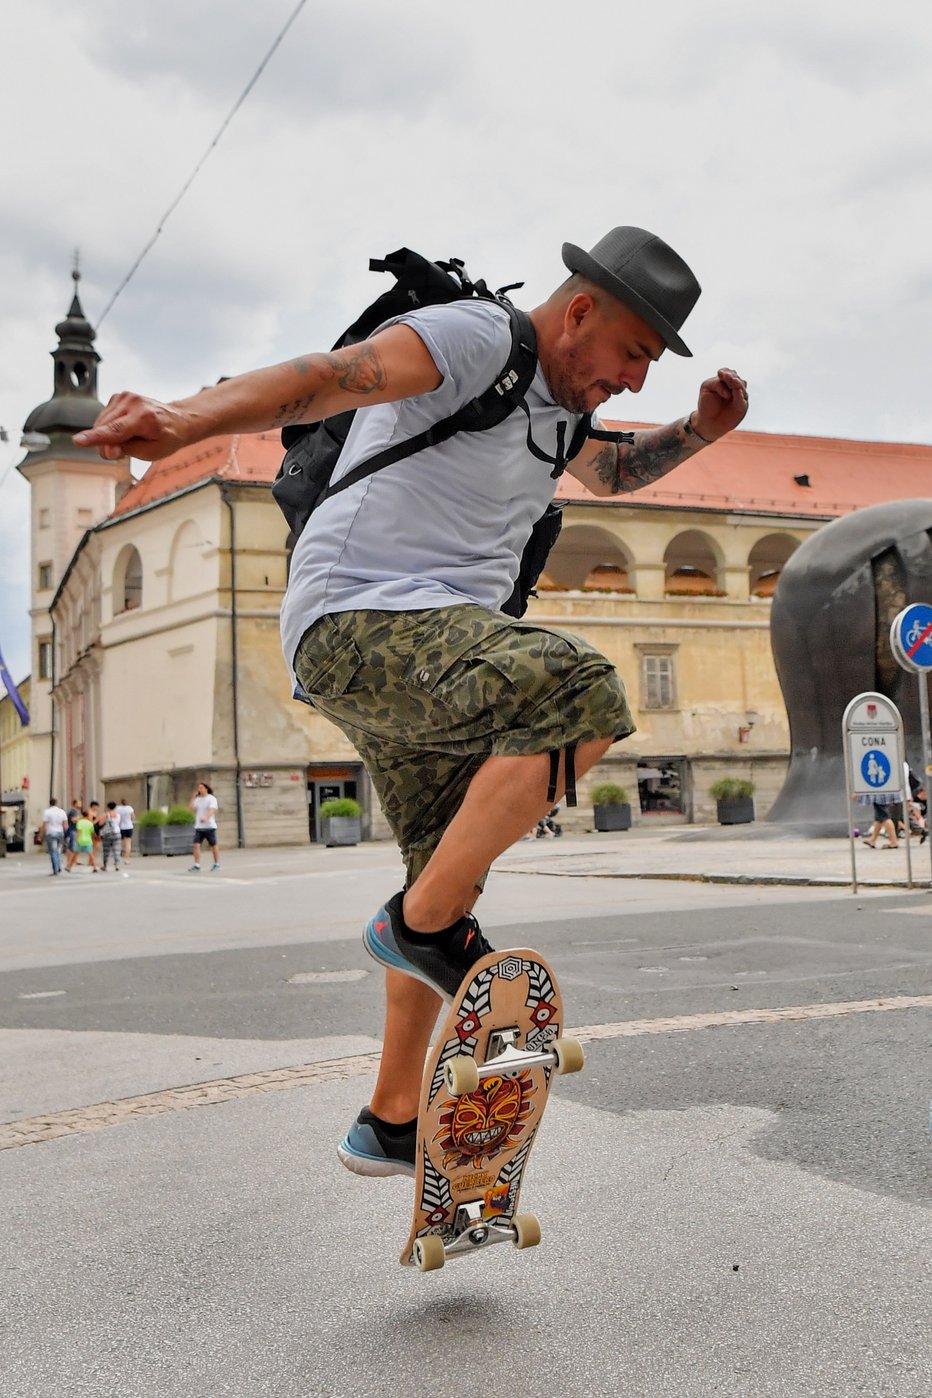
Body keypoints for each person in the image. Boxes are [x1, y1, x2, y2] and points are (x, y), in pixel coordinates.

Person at [74, 225, 749, 1176]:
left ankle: (389, 1120)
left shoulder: (558, 414)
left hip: (430, 650)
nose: (635, 380)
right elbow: (324, 376)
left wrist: (699, 434)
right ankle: (419, 925)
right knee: (585, 689)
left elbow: (613, 472)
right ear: (582, 311)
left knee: (444, 874)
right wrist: (186, 420)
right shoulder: (477, 338)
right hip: (358, 624)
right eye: (634, 353)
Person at [189, 782, 220, 871]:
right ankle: (197, 865)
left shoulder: (211, 798)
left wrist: (206, 817)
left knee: (213, 845)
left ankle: (216, 863)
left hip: (209, 826)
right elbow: (191, 808)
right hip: (199, 827)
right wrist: (193, 797)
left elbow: (212, 810)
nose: (199, 790)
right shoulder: (198, 799)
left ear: (206, 789)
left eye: (201, 788)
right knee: (196, 845)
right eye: (198, 788)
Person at [39, 798, 68, 875]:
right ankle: (58, 866)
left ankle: (55, 869)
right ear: (56, 803)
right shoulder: (62, 812)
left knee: (53, 852)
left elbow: (44, 825)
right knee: (58, 851)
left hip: (51, 833)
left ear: (50, 803)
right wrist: (66, 835)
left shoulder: (47, 812)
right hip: (60, 833)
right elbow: (65, 825)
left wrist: (40, 835)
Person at [101, 801, 123, 872]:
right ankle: (117, 865)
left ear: (108, 807)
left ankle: (105, 865)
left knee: (106, 850)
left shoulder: (106, 814)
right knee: (116, 850)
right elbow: (119, 824)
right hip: (117, 833)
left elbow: (101, 823)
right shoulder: (118, 815)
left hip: (108, 834)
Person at [116, 797, 135, 864]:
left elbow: (116, 817)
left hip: (121, 827)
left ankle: (118, 858)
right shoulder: (129, 808)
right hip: (129, 826)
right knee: (128, 843)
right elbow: (133, 817)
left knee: (119, 843)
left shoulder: (118, 809)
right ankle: (126, 859)